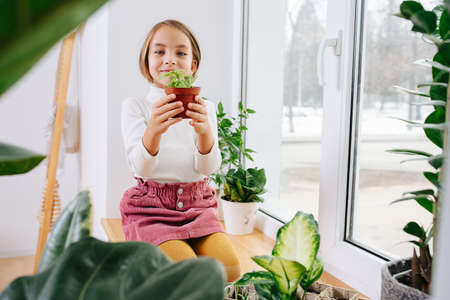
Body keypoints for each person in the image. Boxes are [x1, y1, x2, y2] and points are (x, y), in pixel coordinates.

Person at [120, 19, 240, 282]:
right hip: (152, 210)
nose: (170, 60)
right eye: (160, 51)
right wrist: (153, 130)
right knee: (187, 273)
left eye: (181, 53)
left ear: (193, 66)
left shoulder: (205, 107)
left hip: (198, 206)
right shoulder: (136, 107)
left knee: (230, 270)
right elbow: (140, 168)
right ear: (147, 61)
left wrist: (205, 132)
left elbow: (208, 169)